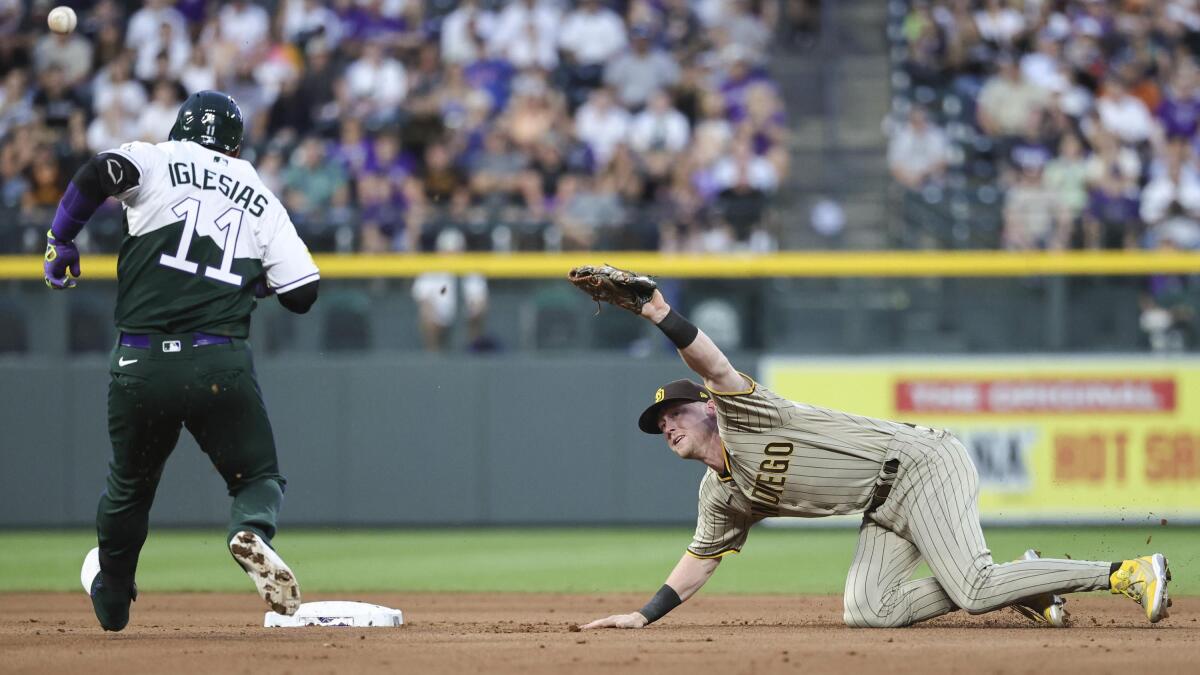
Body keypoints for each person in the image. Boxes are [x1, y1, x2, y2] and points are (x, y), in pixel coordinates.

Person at [567, 264, 1172, 630]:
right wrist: (644, 616)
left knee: (974, 589)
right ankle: (1030, 580)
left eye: (673, 412)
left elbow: (712, 361)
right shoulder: (718, 496)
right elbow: (700, 560)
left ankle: (1127, 572)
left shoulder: (743, 411)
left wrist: (658, 311)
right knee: (870, 611)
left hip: (920, 465)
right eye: (658, 423)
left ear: (703, 406)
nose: (666, 425)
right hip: (883, 506)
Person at [44, 91, 320, 631]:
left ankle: (114, 592)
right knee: (256, 476)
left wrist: (60, 237)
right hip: (219, 363)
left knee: (130, 485)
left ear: (180, 126)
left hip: (139, 364)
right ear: (237, 142)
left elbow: (100, 170)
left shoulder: (155, 158)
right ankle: (252, 531)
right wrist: (250, 281)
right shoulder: (258, 192)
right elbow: (304, 291)